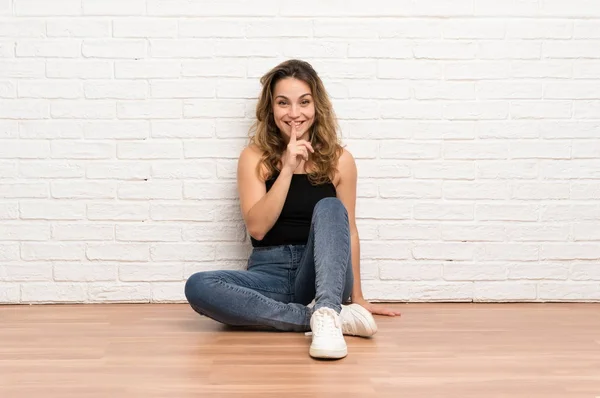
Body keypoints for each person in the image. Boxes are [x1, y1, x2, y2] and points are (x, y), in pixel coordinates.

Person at [185, 59, 401, 360]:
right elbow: (258, 228)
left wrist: (359, 297)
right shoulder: (253, 158)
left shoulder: (340, 160)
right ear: (271, 109)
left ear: (317, 106)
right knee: (199, 286)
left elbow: (348, 230)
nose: (294, 113)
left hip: (321, 274)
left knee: (329, 206)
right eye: (283, 103)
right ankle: (322, 317)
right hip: (268, 276)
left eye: (304, 102)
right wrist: (287, 168)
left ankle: (327, 306)